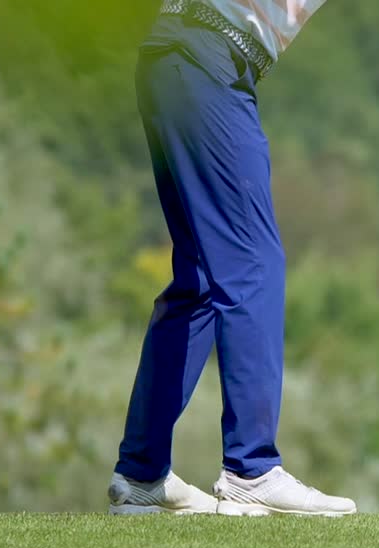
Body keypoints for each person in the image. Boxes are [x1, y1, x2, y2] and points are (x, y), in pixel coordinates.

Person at [107, 0, 356, 517]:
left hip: (178, 58)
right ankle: (251, 468)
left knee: (198, 277)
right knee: (252, 263)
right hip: (205, 58)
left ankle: (141, 474)